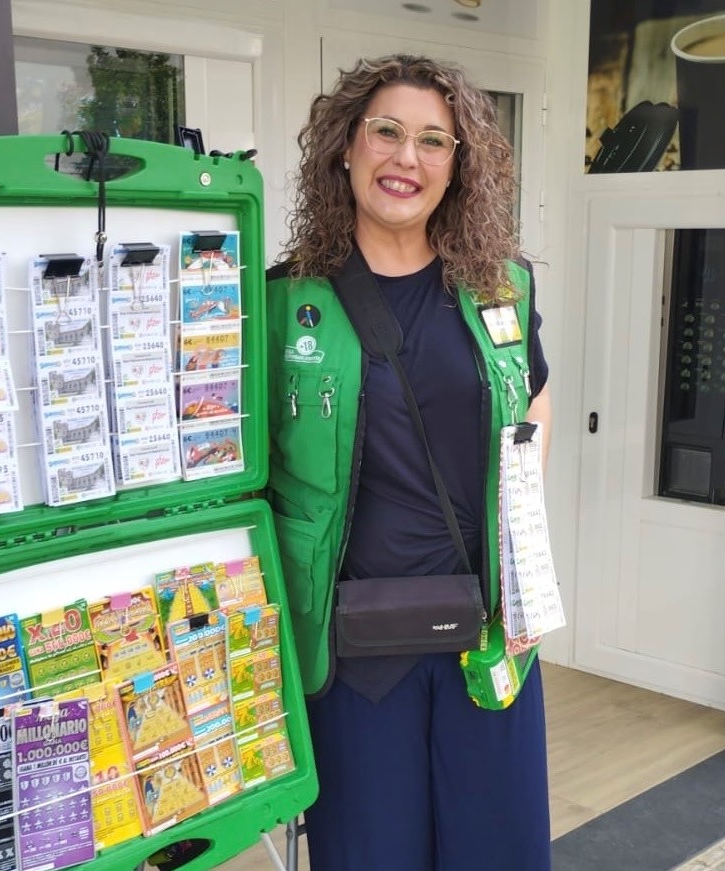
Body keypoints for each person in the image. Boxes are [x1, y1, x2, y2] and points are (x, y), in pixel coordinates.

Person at [265, 54, 553, 871]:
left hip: (485, 636)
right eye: (385, 132)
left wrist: (521, 525)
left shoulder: (501, 288)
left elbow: (535, 394)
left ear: (457, 168)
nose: (407, 159)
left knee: (496, 853)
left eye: (434, 141)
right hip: (355, 656)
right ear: (345, 148)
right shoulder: (287, 303)